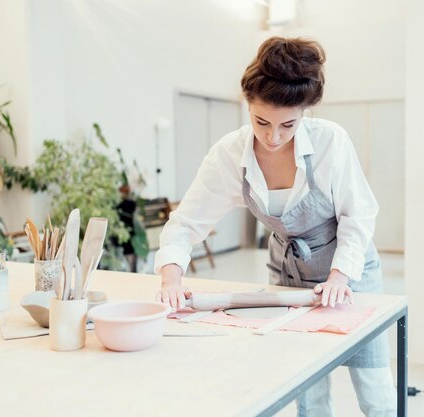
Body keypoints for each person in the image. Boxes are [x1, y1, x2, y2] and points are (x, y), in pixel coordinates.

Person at [154, 36, 397, 417]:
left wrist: (338, 277)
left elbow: (358, 215)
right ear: (247, 105)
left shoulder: (331, 141)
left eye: (288, 124)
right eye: (261, 121)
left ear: (305, 112)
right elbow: (186, 222)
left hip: (349, 273)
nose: (273, 137)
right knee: (306, 380)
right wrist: (171, 276)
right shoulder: (229, 154)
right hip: (287, 273)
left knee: (374, 388)